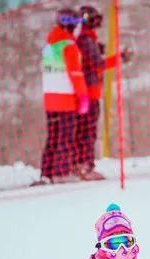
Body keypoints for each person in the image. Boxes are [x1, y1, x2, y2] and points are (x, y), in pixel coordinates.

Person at [72, 5, 133, 181]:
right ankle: (84, 166)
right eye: (94, 20)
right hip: (88, 94)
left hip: (89, 92)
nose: (97, 23)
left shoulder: (87, 39)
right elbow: (97, 64)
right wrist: (118, 59)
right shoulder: (85, 40)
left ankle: (81, 165)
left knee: (86, 131)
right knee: (87, 132)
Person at [39, 8, 91, 184]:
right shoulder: (69, 45)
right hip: (66, 99)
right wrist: (83, 97)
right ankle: (61, 172)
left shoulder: (50, 44)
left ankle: (47, 173)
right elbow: (75, 73)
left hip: (50, 99)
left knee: (52, 138)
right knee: (66, 138)